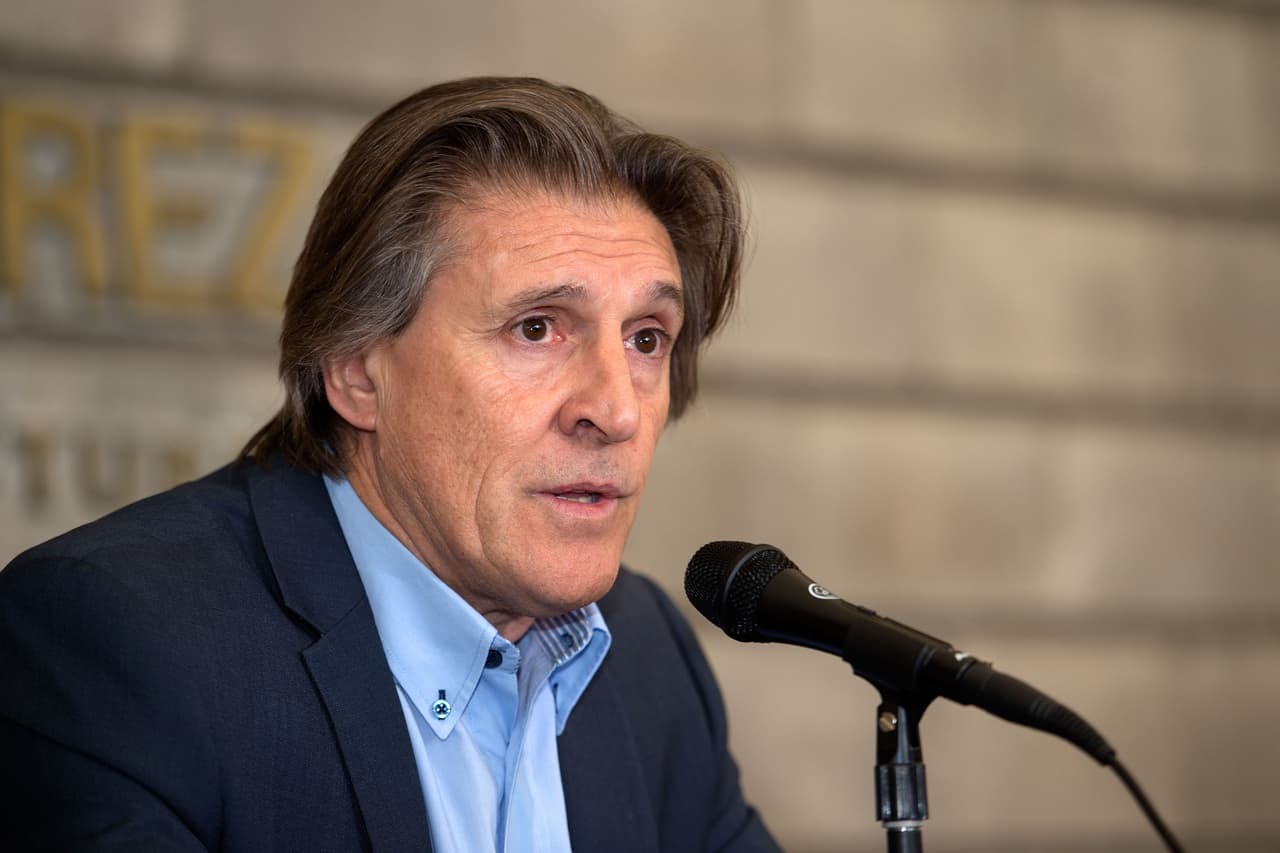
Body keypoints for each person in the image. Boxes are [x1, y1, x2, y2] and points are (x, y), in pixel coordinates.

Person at [0, 77, 780, 852]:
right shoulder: (120, 643)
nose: (615, 410)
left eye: (647, 337)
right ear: (357, 370)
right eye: (537, 328)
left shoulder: (646, 656)